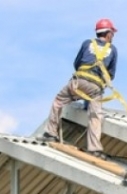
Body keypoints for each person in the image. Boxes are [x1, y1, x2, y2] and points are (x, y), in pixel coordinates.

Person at [38, 18, 119, 160]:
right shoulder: (112, 50)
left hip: (78, 83)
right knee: (95, 117)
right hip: (95, 88)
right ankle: (94, 149)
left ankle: (51, 133)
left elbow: (77, 63)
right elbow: (110, 75)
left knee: (58, 101)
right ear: (108, 34)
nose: (113, 36)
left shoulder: (87, 43)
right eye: (112, 33)